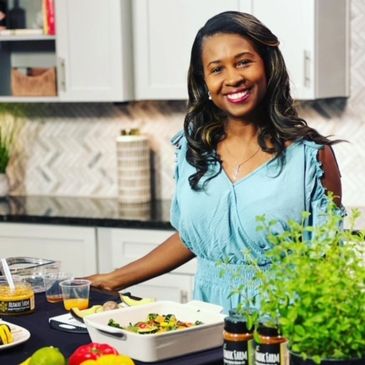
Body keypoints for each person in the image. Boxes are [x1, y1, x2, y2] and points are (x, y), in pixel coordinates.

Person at [87, 11, 344, 313]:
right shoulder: (193, 148)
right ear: (205, 81)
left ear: (268, 66)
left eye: (244, 62)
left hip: (284, 328)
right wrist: (112, 280)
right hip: (206, 321)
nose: (233, 78)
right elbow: (194, 238)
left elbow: (328, 266)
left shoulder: (311, 157)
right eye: (217, 69)